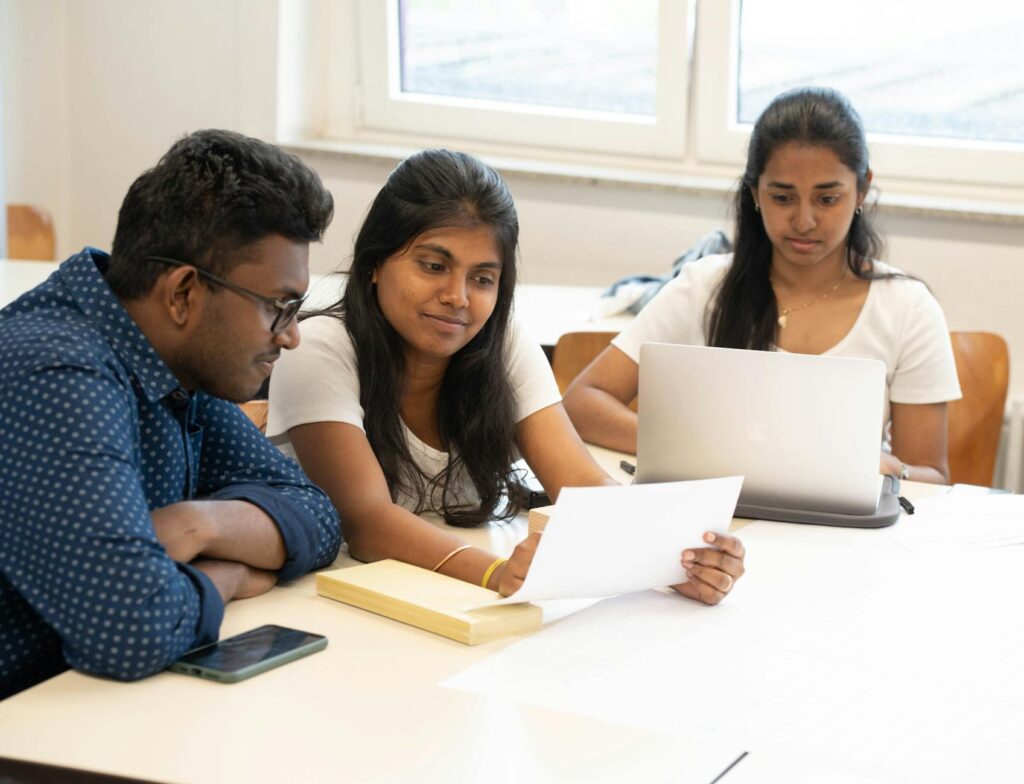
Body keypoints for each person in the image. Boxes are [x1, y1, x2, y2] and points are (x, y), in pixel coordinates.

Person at [267, 149, 745, 603]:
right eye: (434, 266)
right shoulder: (320, 346)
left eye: (483, 279)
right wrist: (495, 573)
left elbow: (581, 483)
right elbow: (367, 525)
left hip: (456, 603)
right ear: (374, 264)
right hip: (338, 605)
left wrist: (675, 559)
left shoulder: (501, 341)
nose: (457, 297)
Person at [0, 130, 342, 700]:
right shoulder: (54, 371)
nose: (292, 337)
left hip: (80, 711)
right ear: (183, 292)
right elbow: (131, 626)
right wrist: (228, 575)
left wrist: (198, 524)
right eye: (278, 307)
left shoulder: (175, 358)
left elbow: (317, 515)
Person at [563, 87, 961, 484]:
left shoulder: (907, 307)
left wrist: (887, 469)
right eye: (783, 197)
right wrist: (703, 450)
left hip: (844, 530)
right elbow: (583, 403)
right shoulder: (705, 287)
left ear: (861, 189)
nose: (804, 221)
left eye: (827, 199)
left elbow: (932, 475)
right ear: (755, 192)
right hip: (716, 525)